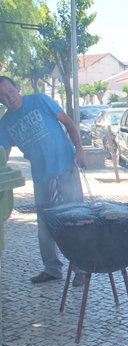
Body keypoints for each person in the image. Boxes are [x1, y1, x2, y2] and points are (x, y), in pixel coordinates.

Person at [0, 76, 89, 287]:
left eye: (10, 91)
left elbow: (68, 123)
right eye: (3, 96)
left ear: (17, 88)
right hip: (41, 176)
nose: (9, 97)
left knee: (75, 217)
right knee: (45, 225)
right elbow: (4, 153)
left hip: (65, 167)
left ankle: (81, 268)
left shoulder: (39, 100)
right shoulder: (4, 124)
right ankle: (52, 269)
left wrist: (79, 150)